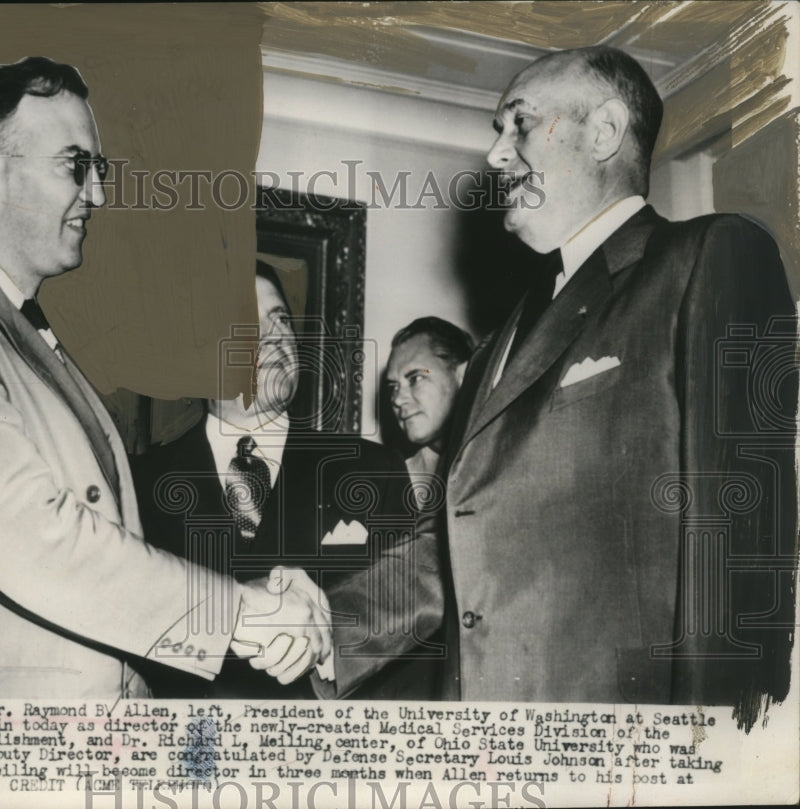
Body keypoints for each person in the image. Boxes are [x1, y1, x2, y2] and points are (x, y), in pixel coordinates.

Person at [333, 46, 797, 723]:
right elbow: (457, 541)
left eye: (517, 124)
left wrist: (717, 748)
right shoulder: (502, 340)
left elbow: (742, 529)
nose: (495, 156)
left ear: (604, 131)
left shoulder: (712, 256)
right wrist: (321, 627)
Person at [0, 57, 329, 699]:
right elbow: (28, 536)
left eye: (97, 171)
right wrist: (238, 613)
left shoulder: (12, 327)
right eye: (76, 165)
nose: (97, 194)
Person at [132, 262, 441, 699]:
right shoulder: (139, 485)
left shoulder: (370, 469)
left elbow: (413, 628)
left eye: (279, 319)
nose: (274, 335)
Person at [384, 317, 474, 505]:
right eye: (393, 386)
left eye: (415, 378)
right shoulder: (399, 483)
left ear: (463, 375)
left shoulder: (510, 457)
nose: (398, 399)